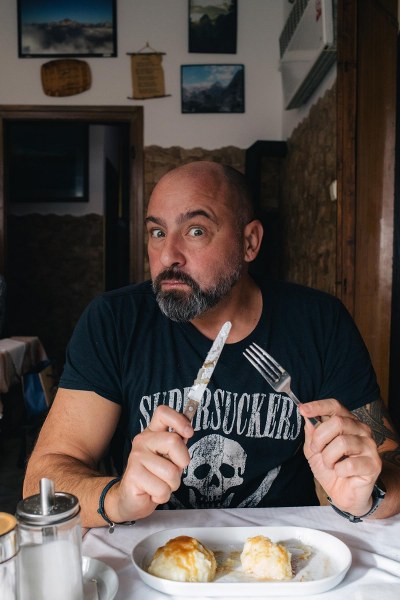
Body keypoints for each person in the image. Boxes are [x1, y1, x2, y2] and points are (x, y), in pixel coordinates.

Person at [24, 161, 400, 528]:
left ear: (249, 242)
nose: (168, 255)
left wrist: (367, 496)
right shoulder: (114, 321)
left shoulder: (319, 321)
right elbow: (41, 485)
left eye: (195, 230)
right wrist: (118, 498)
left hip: (282, 555)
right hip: (151, 554)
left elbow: (391, 466)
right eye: (157, 232)